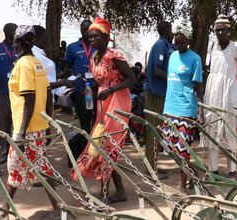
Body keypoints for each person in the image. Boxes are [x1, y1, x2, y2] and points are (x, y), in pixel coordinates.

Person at [71, 17, 136, 204]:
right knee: (99, 144)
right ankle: (117, 191)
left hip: (117, 101)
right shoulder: (94, 57)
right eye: (90, 37)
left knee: (107, 147)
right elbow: (97, 81)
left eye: (96, 37)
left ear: (106, 37)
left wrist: (111, 90)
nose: (92, 40)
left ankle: (105, 194)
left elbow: (132, 79)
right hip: (102, 102)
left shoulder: (115, 55)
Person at [0, 25, 56, 220]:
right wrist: (48, 121)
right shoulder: (36, 63)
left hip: (26, 127)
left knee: (15, 167)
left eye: (15, 40)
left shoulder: (22, 65)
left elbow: (28, 97)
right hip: (38, 126)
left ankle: (4, 211)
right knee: (42, 167)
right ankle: (57, 208)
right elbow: (47, 94)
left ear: (19, 42)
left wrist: (21, 132)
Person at [203, 15, 237, 180]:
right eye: (217, 30)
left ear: (229, 31)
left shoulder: (236, 47)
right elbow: (207, 69)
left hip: (230, 91)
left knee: (229, 130)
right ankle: (213, 170)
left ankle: (232, 170)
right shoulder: (211, 45)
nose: (220, 32)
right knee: (211, 128)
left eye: (223, 30)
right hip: (212, 90)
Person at [162, 31, 203, 191]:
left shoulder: (195, 59)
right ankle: (194, 172)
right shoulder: (172, 56)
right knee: (172, 149)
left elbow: (198, 86)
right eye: (175, 42)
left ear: (188, 41)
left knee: (183, 150)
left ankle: (183, 185)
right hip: (170, 107)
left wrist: (200, 111)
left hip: (186, 108)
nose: (177, 45)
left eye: (181, 42)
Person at [144, 21, 174, 178]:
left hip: (162, 93)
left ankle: (153, 163)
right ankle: (150, 169)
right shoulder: (161, 45)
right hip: (155, 93)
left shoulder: (167, 45)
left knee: (159, 130)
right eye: (171, 30)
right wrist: (173, 79)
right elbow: (157, 70)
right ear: (167, 30)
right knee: (153, 129)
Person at [0, 23, 18, 164]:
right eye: (14, 32)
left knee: (18, 122)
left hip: (18, 92)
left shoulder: (20, 48)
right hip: (2, 92)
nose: (16, 34)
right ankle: (4, 152)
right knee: (3, 122)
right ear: (7, 33)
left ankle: (17, 152)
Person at [64, 19, 97, 133]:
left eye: (89, 29)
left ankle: (95, 147)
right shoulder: (72, 47)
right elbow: (67, 67)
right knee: (84, 122)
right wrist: (73, 78)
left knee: (97, 121)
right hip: (80, 91)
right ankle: (85, 147)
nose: (87, 32)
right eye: (84, 29)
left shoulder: (97, 46)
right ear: (80, 30)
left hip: (96, 90)